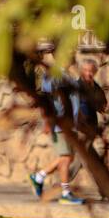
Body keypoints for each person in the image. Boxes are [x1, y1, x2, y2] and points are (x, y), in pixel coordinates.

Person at [29, 59, 85, 204]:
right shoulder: (53, 75)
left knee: (68, 158)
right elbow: (45, 99)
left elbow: (75, 101)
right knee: (65, 158)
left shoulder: (69, 75)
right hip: (59, 123)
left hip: (70, 125)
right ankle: (65, 193)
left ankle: (39, 176)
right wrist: (47, 121)